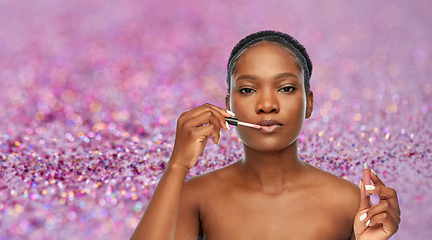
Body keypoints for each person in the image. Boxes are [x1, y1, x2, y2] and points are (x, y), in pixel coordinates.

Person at [130, 30, 400, 240]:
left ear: (309, 103)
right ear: (228, 106)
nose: (267, 104)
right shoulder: (195, 197)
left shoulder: (349, 201)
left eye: (285, 88)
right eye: (248, 90)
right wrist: (178, 165)